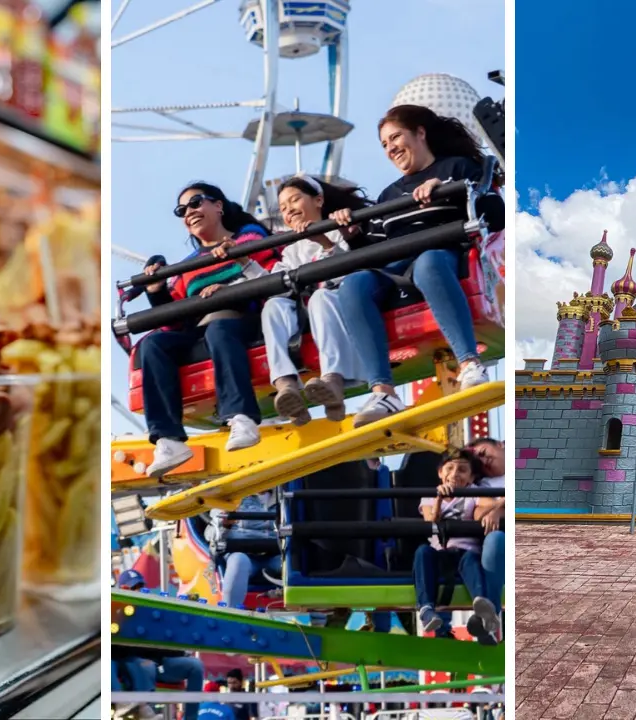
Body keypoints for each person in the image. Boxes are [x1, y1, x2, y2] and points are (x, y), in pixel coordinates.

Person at [333, 105, 506, 428]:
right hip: (396, 266)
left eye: (396, 137)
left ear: (420, 133)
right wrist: (352, 233)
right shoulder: (388, 195)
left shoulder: (458, 167)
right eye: (385, 144)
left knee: (428, 264)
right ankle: (383, 391)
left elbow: (496, 215)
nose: (391, 148)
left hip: (444, 255)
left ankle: (469, 362)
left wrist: (447, 190)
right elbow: (373, 249)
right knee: (353, 286)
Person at [141, 183, 279, 478]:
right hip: (202, 329)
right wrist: (156, 290)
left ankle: (241, 416)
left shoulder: (249, 238)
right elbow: (174, 319)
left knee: (219, 329)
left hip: (246, 318)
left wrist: (226, 288)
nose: (189, 212)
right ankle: (168, 439)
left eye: (195, 203)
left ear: (218, 205)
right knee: (153, 344)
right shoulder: (187, 266)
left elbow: (268, 273)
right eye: (182, 210)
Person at [261, 176, 371, 424]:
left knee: (321, 297)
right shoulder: (292, 249)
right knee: (274, 306)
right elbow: (274, 281)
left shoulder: (338, 227)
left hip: (336, 304)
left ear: (318, 200)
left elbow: (350, 268)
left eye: (295, 200)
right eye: (283, 208)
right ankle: (286, 384)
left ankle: (333, 380)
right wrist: (245, 264)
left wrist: (324, 242)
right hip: (306, 315)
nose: (289, 210)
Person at [414, 448, 500, 645]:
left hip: (465, 552)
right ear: (440, 473)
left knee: (471, 560)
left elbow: (490, 504)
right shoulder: (430, 496)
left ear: (471, 477)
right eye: (450, 468)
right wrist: (439, 499)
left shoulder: (474, 493)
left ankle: (483, 612)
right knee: (422, 552)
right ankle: (426, 608)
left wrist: (497, 506)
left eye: (462, 470)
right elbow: (431, 521)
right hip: (439, 553)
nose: (455, 474)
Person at [114, 569, 206, 720]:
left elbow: (163, 642)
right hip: (136, 664)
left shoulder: (151, 612)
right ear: (123, 589)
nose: (138, 591)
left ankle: (191, 718)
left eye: (140, 587)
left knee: (195, 665)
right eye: (133, 588)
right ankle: (146, 712)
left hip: (160, 663)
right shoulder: (115, 612)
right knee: (146, 665)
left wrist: (180, 652)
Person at [206, 491, 281, 609]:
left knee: (295, 561)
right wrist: (225, 525)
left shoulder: (283, 495)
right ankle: (231, 611)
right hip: (242, 553)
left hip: (275, 554)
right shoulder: (232, 496)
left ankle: (306, 610)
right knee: (239, 561)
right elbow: (210, 535)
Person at [467, 436, 506, 642]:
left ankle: (488, 622)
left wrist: (498, 507)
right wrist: (501, 505)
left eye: (483, 453)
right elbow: (478, 514)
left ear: (500, 445)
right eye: (479, 462)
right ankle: (490, 619)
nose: (484, 461)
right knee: (495, 539)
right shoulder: (483, 485)